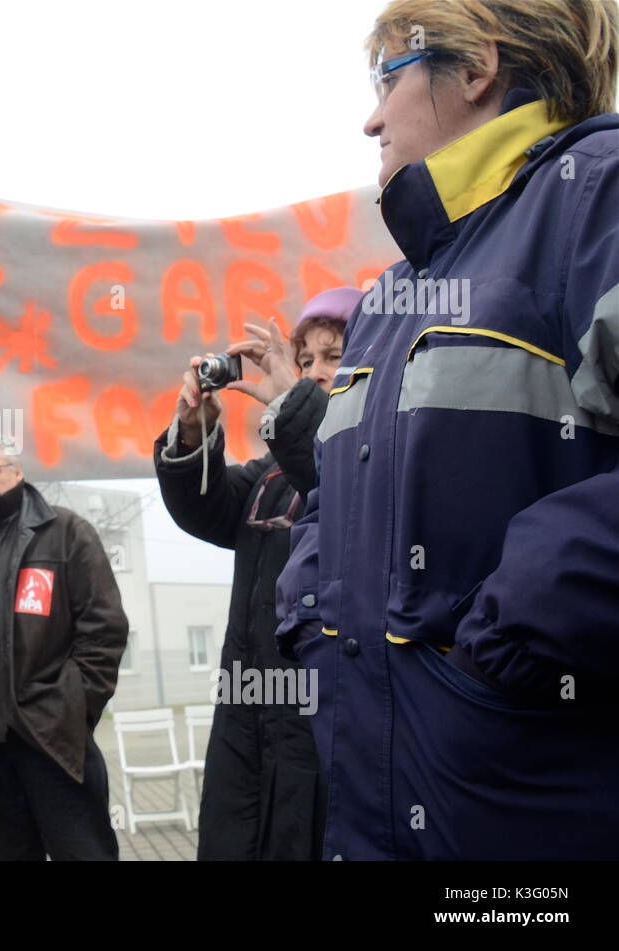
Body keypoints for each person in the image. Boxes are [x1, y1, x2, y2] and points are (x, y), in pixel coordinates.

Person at [275, 0, 619, 859]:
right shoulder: (390, 294)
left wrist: (504, 644)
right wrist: (307, 621)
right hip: (377, 810)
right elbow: (328, 499)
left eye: (385, 77)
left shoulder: (601, 192)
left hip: (528, 822)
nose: (370, 119)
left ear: (475, 70)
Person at [154, 287, 359, 860]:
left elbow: (342, 483)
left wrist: (291, 408)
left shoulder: (381, 456)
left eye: (334, 356)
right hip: (246, 724)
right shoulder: (271, 474)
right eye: (306, 360)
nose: (315, 372)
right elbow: (208, 509)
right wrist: (194, 433)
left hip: (324, 731)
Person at [0, 436, 128, 860]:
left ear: (17, 473)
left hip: (53, 742)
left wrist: (71, 704)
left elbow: (104, 630)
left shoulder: (66, 532)